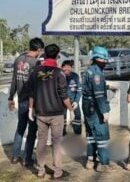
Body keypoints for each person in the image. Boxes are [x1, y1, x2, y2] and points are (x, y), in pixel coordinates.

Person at [28, 44, 74, 179]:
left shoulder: (35, 71)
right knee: (57, 141)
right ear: (58, 55)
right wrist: (71, 110)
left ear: (45, 54)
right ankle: (57, 170)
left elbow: (32, 93)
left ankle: (41, 169)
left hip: (40, 112)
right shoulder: (59, 73)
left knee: (41, 140)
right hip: (56, 114)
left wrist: (31, 108)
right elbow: (64, 95)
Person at [8, 37, 44, 166]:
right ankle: (27, 158)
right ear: (39, 49)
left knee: (20, 127)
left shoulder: (18, 60)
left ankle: (15, 156)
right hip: (32, 102)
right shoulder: (36, 63)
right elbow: (38, 85)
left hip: (21, 99)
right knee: (32, 129)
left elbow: (13, 80)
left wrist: (11, 98)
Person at [82, 46, 113, 171]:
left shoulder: (89, 70)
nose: (105, 62)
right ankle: (103, 162)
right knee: (101, 134)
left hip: (87, 105)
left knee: (90, 133)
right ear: (96, 59)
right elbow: (99, 95)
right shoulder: (97, 73)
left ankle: (90, 159)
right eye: (103, 60)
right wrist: (104, 111)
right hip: (95, 108)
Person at [62, 60, 82, 135]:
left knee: (77, 117)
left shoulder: (75, 76)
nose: (66, 69)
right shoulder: (60, 76)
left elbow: (79, 90)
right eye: (64, 67)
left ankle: (77, 134)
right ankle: (62, 134)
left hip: (73, 100)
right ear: (62, 67)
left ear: (71, 67)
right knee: (62, 118)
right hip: (62, 101)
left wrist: (76, 101)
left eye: (68, 67)